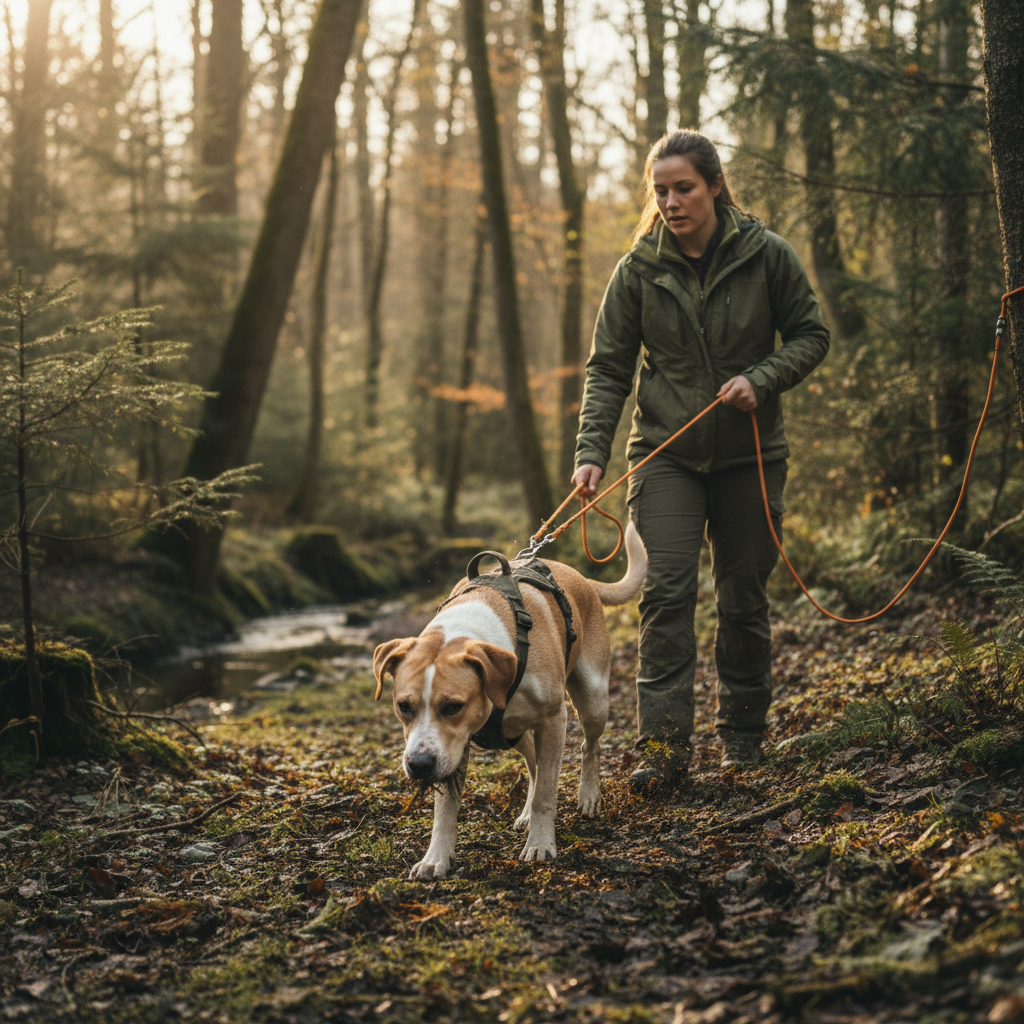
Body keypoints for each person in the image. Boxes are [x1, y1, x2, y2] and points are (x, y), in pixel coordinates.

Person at [572, 130, 829, 796]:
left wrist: (762, 378)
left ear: (715, 186)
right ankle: (662, 750)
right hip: (665, 457)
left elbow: (811, 334)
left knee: (742, 601)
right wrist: (590, 455)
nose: (671, 201)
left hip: (751, 456)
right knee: (665, 594)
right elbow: (608, 369)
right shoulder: (637, 270)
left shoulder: (767, 255)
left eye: (683, 187)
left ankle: (743, 741)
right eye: (660, 190)